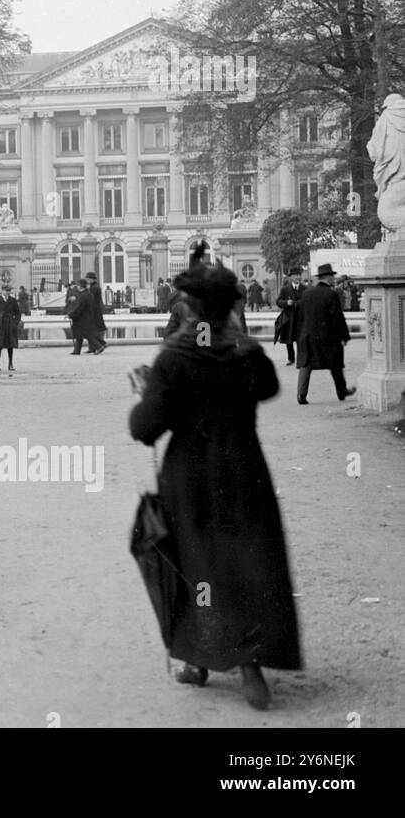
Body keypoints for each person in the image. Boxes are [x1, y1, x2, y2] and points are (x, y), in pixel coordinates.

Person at [128, 250, 300, 709]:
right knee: (245, 563)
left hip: (190, 475)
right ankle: (250, 670)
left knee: (192, 565)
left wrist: (148, 390)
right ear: (228, 308)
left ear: (190, 308)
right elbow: (268, 388)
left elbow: (145, 428)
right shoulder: (247, 352)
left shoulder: (175, 357)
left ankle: (198, 660)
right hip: (244, 469)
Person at [296, 263, 355, 405]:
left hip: (308, 335)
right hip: (327, 337)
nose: (334, 279)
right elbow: (337, 318)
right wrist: (344, 336)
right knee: (336, 363)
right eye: (332, 277)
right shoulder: (331, 294)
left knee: (306, 364)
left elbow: (301, 316)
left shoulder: (307, 293)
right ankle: (342, 391)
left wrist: (301, 335)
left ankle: (301, 395)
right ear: (327, 277)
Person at [69, 272, 106, 355]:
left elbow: (80, 307)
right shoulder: (88, 292)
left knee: (88, 335)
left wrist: (71, 315)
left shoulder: (90, 291)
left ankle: (100, 346)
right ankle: (77, 350)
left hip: (85, 318)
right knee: (80, 334)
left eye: (78, 286)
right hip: (88, 316)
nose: (77, 287)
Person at [0, 281, 22, 375]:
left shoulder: (13, 300)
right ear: (2, 291)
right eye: (6, 291)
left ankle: (10, 363)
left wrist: (15, 323)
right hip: (0, 325)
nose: (8, 292)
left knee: (10, 345)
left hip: (10, 326)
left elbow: (18, 313)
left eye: (9, 291)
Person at [273, 269, 304, 366]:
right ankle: (291, 358)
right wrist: (286, 303)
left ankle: (301, 358)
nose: (297, 277)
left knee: (301, 339)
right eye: (295, 275)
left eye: (299, 275)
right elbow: (278, 302)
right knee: (289, 339)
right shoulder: (285, 289)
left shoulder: (305, 288)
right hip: (288, 318)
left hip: (301, 319)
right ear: (291, 277)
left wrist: (296, 303)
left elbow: (308, 301)